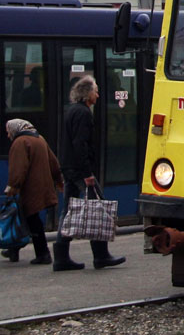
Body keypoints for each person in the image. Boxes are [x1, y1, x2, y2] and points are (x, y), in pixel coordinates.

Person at [55, 75, 125, 271]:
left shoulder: (71, 111)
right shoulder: (84, 113)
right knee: (98, 207)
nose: (98, 94)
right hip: (79, 170)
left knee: (68, 211)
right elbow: (80, 144)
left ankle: (61, 257)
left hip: (68, 167)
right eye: (95, 90)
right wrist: (87, 173)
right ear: (87, 94)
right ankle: (101, 255)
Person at [3, 119, 62, 265]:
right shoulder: (39, 138)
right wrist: (59, 179)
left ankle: (42, 254)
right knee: (27, 219)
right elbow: (53, 161)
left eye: (8, 131)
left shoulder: (20, 142)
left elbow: (18, 168)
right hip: (43, 186)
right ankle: (13, 250)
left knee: (28, 219)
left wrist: (12, 186)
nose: (8, 135)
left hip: (30, 188)